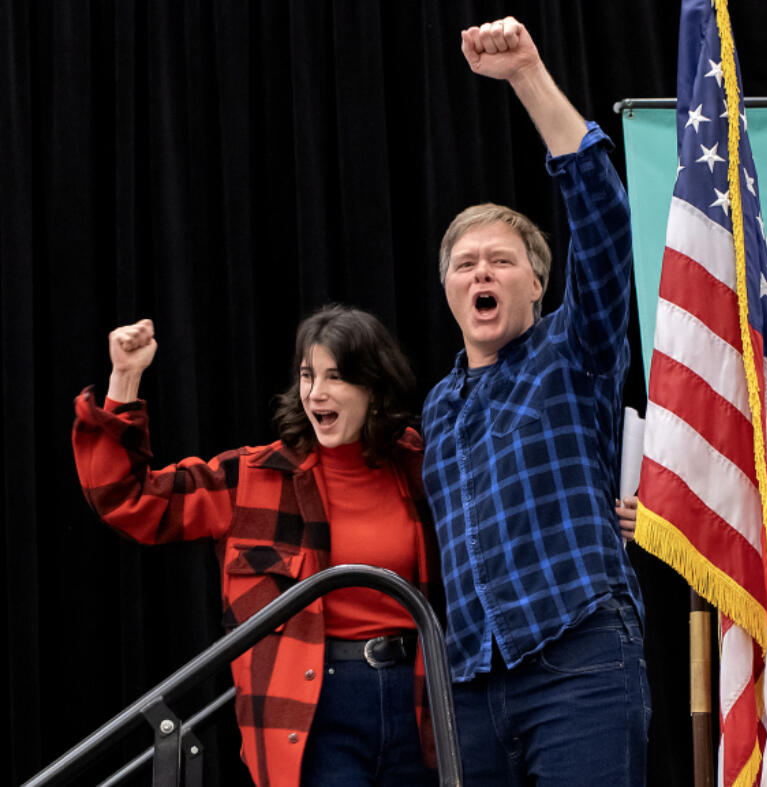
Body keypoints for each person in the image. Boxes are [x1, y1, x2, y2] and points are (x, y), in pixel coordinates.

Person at [71, 306, 439, 787]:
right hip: (313, 710)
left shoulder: (422, 466)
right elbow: (127, 498)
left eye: (336, 377)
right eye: (308, 376)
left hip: (420, 698)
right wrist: (125, 378)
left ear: (374, 389)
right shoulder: (253, 479)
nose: (316, 393)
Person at [421, 17, 647, 785]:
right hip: (473, 684)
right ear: (449, 288)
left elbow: (607, 226)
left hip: (577, 654)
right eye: (464, 263)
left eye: (501, 260)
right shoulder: (440, 408)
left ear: (537, 282)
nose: (480, 271)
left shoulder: (571, 348)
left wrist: (526, 77)